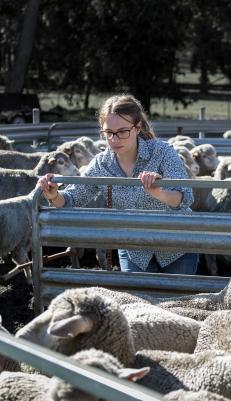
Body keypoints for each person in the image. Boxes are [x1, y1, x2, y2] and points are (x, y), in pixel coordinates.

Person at [38, 94, 198, 275]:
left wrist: (158, 192)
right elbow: (72, 199)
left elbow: (185, 197)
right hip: (134, 250)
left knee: (180, 301)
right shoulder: (101, 164)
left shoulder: (162, 152)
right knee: (137, 302)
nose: (114, 139)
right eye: (108, 133)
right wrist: (54, 195)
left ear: (137, 128)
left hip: (176, 246)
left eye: (122, 131)